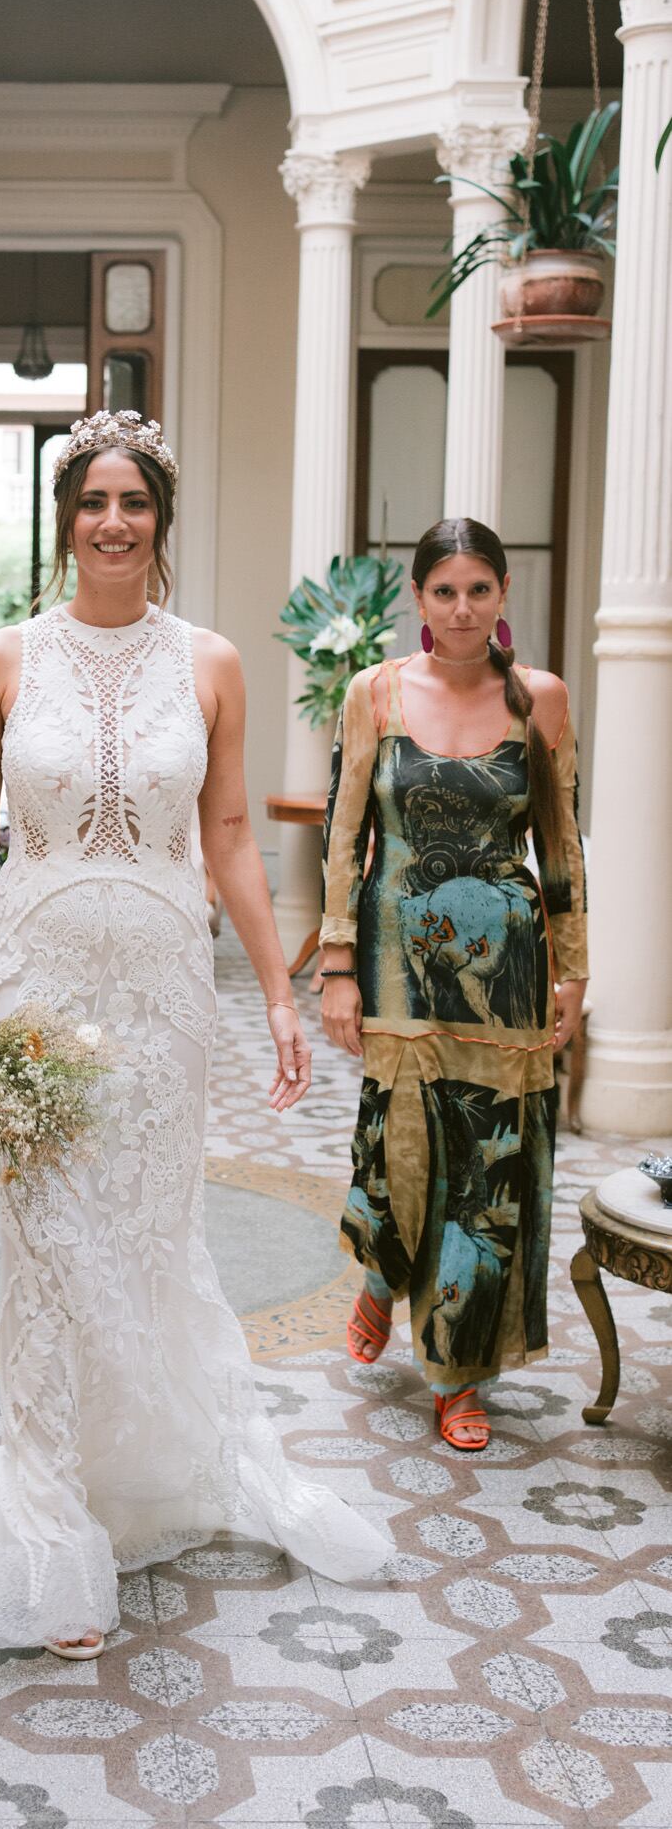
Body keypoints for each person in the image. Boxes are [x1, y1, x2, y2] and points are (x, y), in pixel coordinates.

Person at [0, 409, 393, 1662]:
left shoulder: (210, 660)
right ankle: (49, 1530)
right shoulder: (0, 658)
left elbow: (226, 839)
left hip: (164, 982)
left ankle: (143, 1470)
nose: (113, 522)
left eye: (135, 502)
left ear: (161, 519)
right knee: (47, 1247)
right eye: (92, 501)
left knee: (145, 1234)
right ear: (66, 522)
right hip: (37, 973)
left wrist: (277, 986)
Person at [320, 517, 587, 1451]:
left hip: (503, 971)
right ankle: (377, 1275)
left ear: (503, 595)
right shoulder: (375, 693)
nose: (462, 608)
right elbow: (343, 832)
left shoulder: (540, 700)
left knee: (487, 1171)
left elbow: (559, 846)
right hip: (396, 963)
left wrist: (572, 972)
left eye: (479, 589)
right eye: (444, 591)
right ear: (418, 600)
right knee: (394, 1152)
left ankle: (457, 1371)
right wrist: (337, 966)